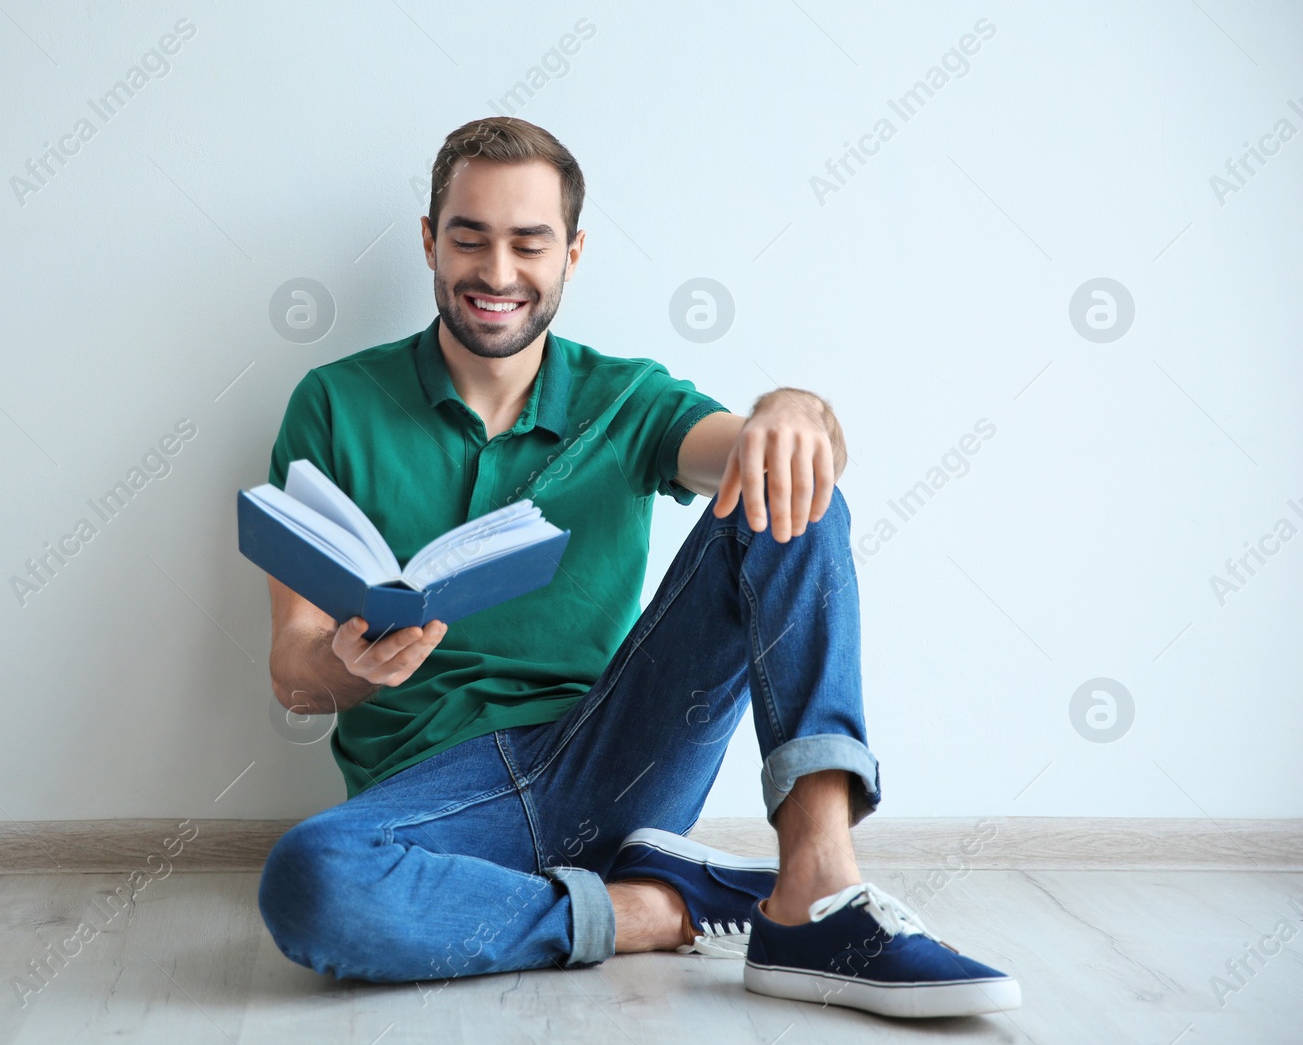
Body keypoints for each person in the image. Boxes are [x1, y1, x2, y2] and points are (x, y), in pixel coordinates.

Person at [255, 116, 1020, 1019]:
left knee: (789, 490)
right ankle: (651, 906)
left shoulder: (625, 396)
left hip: (611, 753)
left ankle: (816, 892)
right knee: (311, 880)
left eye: (528, 244)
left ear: (571, 255)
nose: (497, 274)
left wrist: (791, 414)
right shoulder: (332, 404)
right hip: (440, 801)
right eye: (470, 238)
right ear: (430, 241)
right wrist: (346, 664)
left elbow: (748, 452)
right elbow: (292, 676)